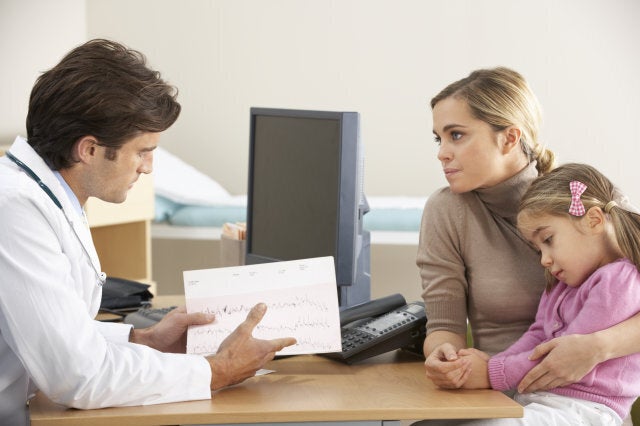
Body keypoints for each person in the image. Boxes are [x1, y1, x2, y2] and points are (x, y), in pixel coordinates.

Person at [0, 39, 296, 425]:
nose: (148, 167)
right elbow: (77, 377)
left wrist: (142, 339)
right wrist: (216, 371)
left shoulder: (43, 197)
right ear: (89, 150)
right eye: (142, 151)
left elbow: (54, 336)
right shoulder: (15, 209)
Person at [418, 67, 640, 402]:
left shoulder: (581, 200)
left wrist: (597, 346)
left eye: (457, 135)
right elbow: (443, 325)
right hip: (493, 392)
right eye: (439, 138)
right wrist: (444, 357)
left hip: (581, 403)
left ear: (509, 138)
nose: (442, 152)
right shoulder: (446, 211)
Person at [450, 162, 640, 425]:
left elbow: (563, 355)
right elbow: (538, 335)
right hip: (544, 402)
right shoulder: (562, 284)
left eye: (548, 240)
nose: (544, 260)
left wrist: (491, 373)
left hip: (587, 410)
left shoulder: (618, 280)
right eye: (539, 249)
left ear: (594, 220)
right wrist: (491, 363)